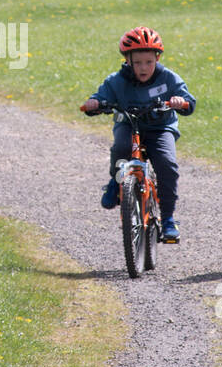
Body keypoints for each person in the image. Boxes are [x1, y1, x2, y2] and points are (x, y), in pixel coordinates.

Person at [81, 27, 195, 242]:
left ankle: (168, 219)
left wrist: (180, 101)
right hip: (129, 125)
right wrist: (94, 103)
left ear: (157, 58)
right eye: (138, 63)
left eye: (149, 62)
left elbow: (189, 101)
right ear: (127, 61)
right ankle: (116, 182)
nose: (144, 68)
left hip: (160, 129)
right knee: (120, 148)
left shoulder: (168, 78)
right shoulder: (116, 81)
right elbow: (99, 97)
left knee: (167, 164)